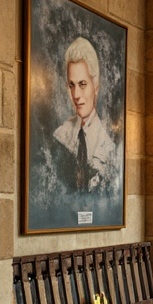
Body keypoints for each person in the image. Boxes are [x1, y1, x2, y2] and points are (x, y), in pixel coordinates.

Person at [52, 37, 117, 193]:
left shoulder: (108, 148)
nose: (76, 94)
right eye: (71, 85)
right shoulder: (60, 135)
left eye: (82, 84)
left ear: (95, 87)